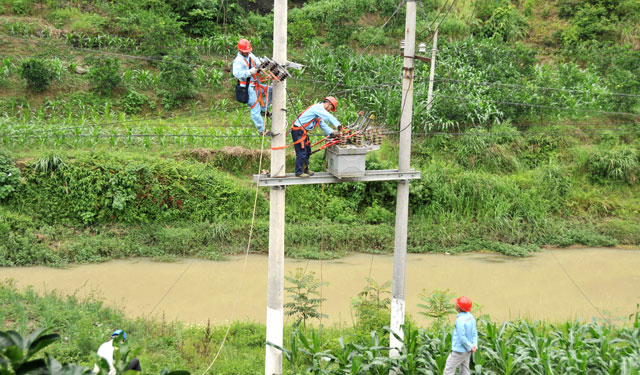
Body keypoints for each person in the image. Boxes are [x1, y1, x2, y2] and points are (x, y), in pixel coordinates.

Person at [290, 96, 342, 177]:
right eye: (331, 108)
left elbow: (322, 124)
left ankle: (305, 169)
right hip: (298, 131)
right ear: (328, 103)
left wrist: (332, 132)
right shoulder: (318, 108)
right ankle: (299, 172)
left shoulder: (318, 113)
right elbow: (328, 117)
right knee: (301, 152)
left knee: (308, 151)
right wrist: (338, 125)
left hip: (302, 132)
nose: (330, 110)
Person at [232, 38, 273, 136]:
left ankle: (264, 110)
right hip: (247, 87)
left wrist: (264, 63)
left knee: (271, 91)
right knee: (255, 107)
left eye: (248, 51)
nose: (247, 53)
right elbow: (237, 74)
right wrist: (250, 72)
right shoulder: (238, 61)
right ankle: (261, 130)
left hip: (255, 84)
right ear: (240, 51)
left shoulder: (250, 56)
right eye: (245, 52)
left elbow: (258, 62)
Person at [443, 296, 478, 375]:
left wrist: (470, 346)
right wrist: (474, 345)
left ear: (459, 308)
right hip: (468, 351)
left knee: (449, 370)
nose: (455, 304)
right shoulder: (471, 317)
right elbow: (475, 333)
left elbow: (461, 338)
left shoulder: (460, 320)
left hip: (459, 351)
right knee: (465, 370)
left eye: (457, 304)